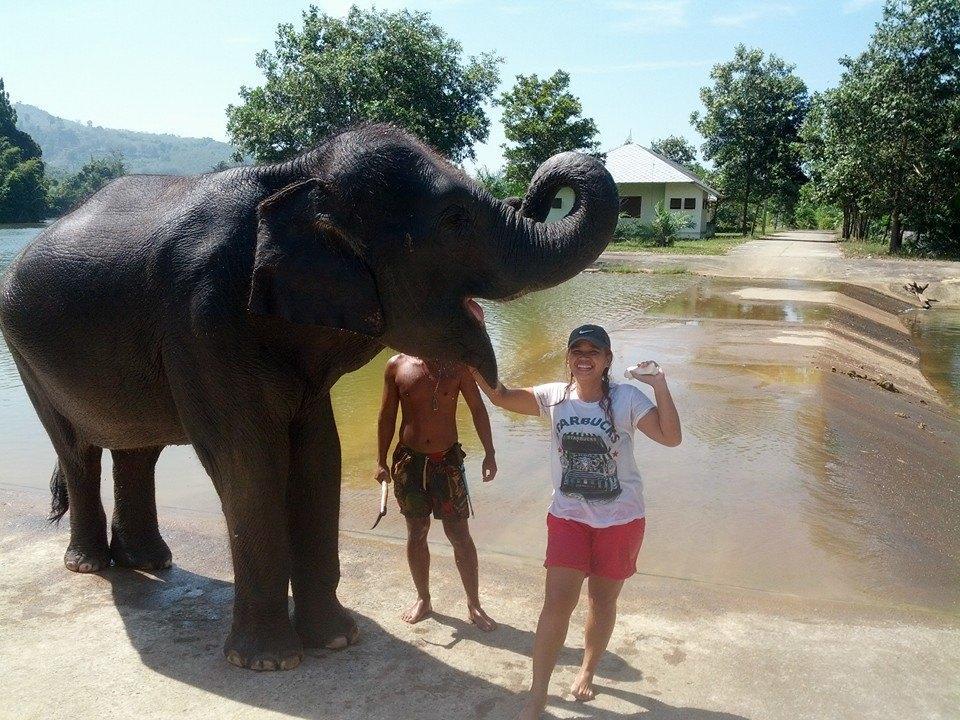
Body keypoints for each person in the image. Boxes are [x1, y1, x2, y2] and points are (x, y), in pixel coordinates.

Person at [471, 324, 681, 719]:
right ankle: (537, 695)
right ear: (568, 358)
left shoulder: (626, 398)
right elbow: (499, 396)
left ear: (606, 360)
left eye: (594, 351)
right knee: (556, 605)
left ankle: (587, 668)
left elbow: (671, 438)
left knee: (602, 602)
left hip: (621, 520)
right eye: (577, 350)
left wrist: (660, 385)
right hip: (569, 518)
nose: (585, 357)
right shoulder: (553, 397)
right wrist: (476, 336)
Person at [376, 354, 498, 631]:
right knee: (416, 531)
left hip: (447, 463)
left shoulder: (458, 366)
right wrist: (380, 461)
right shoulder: (397, 366)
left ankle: (474, 603)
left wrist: (489, 453)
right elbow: (386, 415)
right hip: (410, 461)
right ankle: (423, 597)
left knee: (459, 534)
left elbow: (478, 408)